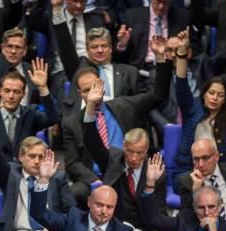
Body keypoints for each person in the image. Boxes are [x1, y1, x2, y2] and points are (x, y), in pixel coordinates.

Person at [63, 38, 172, 207]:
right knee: (74, 193)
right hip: (95, 177)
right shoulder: (71, 122)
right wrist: (94, 182)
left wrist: (159, 57)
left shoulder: (125, 105)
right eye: (86, 90)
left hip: (129, 170)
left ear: (102, 84)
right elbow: (72, 163)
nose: (92, 92)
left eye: (94, 86)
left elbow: (159, 94)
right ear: (79, 93)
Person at [0, 89, 75, 231]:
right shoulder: (10, 174)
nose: (37, 161)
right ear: (20, 157)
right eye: (32, 156)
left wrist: (59, 228)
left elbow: (71, 212)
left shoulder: (57, 177)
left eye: (41, 156)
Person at [29, 153, 140, 231]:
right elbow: (39, 213)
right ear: (89, 202)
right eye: (99, 205)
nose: (104, 211)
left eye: (109, 207)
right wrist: (43, 180)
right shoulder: (73, 219)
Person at [82, 95, 165, 231]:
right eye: (130, 151)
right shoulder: (113, 159)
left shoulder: (156, 171)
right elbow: (92, 140)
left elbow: (160, 211)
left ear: (147, 149)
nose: (134, 158)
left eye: (140, 153)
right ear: (123, 146)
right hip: (113, 227)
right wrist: (91, 105)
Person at [0, 66, 59, 230]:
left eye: (16, 91)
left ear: (23, 94)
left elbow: (53, 117)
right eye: (7, 90)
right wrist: (7, 180)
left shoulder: (31, 114)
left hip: (28, 176)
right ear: (0, 92)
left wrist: (43, 87)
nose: (11, 95)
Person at [173, 27, 226, 190]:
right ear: (204, 94)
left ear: (225, 99)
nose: (214, 98)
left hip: (221, 177)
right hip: (188, 172)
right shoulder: (192, 108)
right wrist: (182, 53)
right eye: (211, 93)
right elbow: (181, 85)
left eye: (220, 95)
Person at [116, 0, 190, 71]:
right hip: (140, 71)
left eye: (165, 2)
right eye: (158, 1)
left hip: (172, 68)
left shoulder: (182, 17)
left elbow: (194, 51)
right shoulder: (132, 15)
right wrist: (123, 44)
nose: (161, 6)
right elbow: (118, 59)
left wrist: (185, 47)